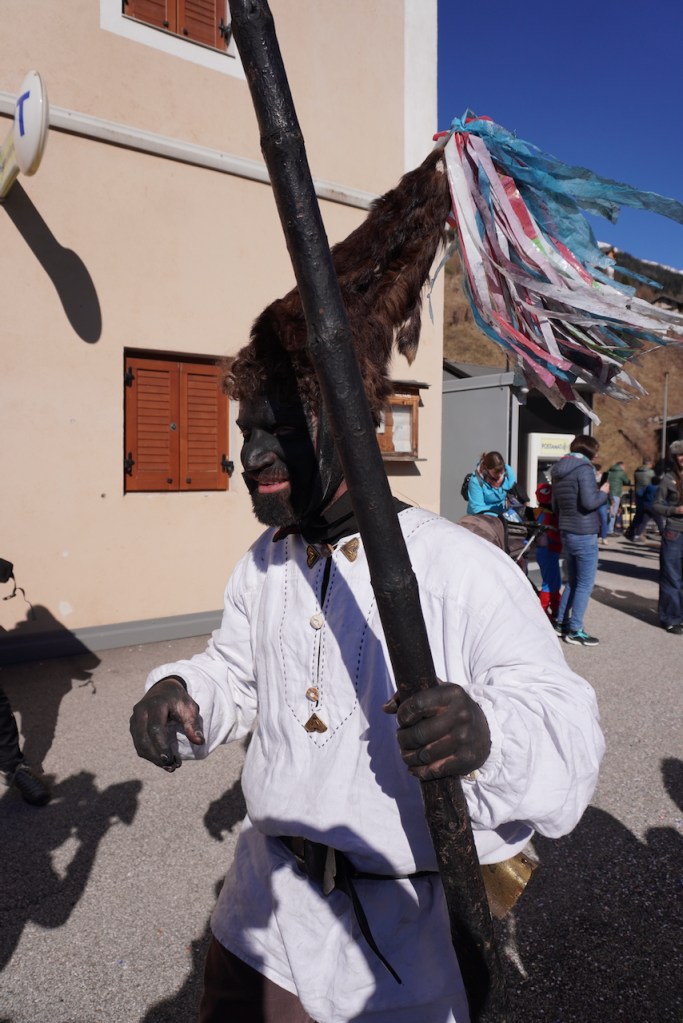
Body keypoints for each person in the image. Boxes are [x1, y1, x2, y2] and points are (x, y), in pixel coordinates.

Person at [130, 153, 605, 1023]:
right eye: (246, 433)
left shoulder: (460, 568)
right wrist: (182, 693)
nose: (252, 456)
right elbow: (235, 673)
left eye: (278, 431)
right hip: (261, 922)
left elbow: (569, 736)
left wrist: (484, 732)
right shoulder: (266, 561)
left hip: (398, 957)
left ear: (350, 424)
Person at [551, 435, 609, 646]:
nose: (597, 455)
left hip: (567, 530)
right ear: (589, 450)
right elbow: (589, 502)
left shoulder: (558, 469)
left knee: (573, 581)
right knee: (584, 584)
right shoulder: (584, 469)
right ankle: (575, 630)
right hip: (584, 532)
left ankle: (561, 623)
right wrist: (603, 492)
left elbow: (555, 505)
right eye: (596, 450)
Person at [653, 440, 683, 634]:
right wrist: (674, 510)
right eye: (679, 455)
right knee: (672, 577)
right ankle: (671, 619)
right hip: (674, 533)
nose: (682, 458)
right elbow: (656, 505)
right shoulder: (668, 479)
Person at [533, 481, 562, 622]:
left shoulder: (539, 512)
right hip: (549, 551)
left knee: (555, 582)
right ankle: (542, 612)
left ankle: (556, 608)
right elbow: (553, 535)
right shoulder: (548, 516)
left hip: (546, 552)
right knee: (549, 583)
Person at [466, 451, 518, 516]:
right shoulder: (475, 480)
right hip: (481, 516)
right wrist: (498, 516)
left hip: (502, 514)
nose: (500, 475)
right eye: (496, 472)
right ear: (486, 470)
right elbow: (477, 508)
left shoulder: (507, 471)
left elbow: (514, 492)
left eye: (501, 471)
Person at [624, 458, 655, 541]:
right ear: (649, 464)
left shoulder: (636, 472)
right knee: (646, 515)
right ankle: (639, 533)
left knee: (638, 514)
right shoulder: (651, 472)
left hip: (638, 494)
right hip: (647, 495)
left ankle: (631, 531)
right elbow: (654, 482)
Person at [606, 460, 630, 535]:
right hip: (616, 494)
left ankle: (604, 529)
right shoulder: (621, 473)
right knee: (613, 513)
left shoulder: (609, 471)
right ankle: (610, 531)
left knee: (607, 512)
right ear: (621, 466)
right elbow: (627, 482)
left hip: (607, 493)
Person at [593, 462, 610, 545]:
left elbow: (608, 490)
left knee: (604, 519)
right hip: (594, 501)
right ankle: (598, 536)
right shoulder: (590, 477)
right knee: (595, 520)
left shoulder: (604, 478)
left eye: (598, 470)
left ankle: (604, 536)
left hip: (603, 502)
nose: (597, 472)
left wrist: (610, 500)